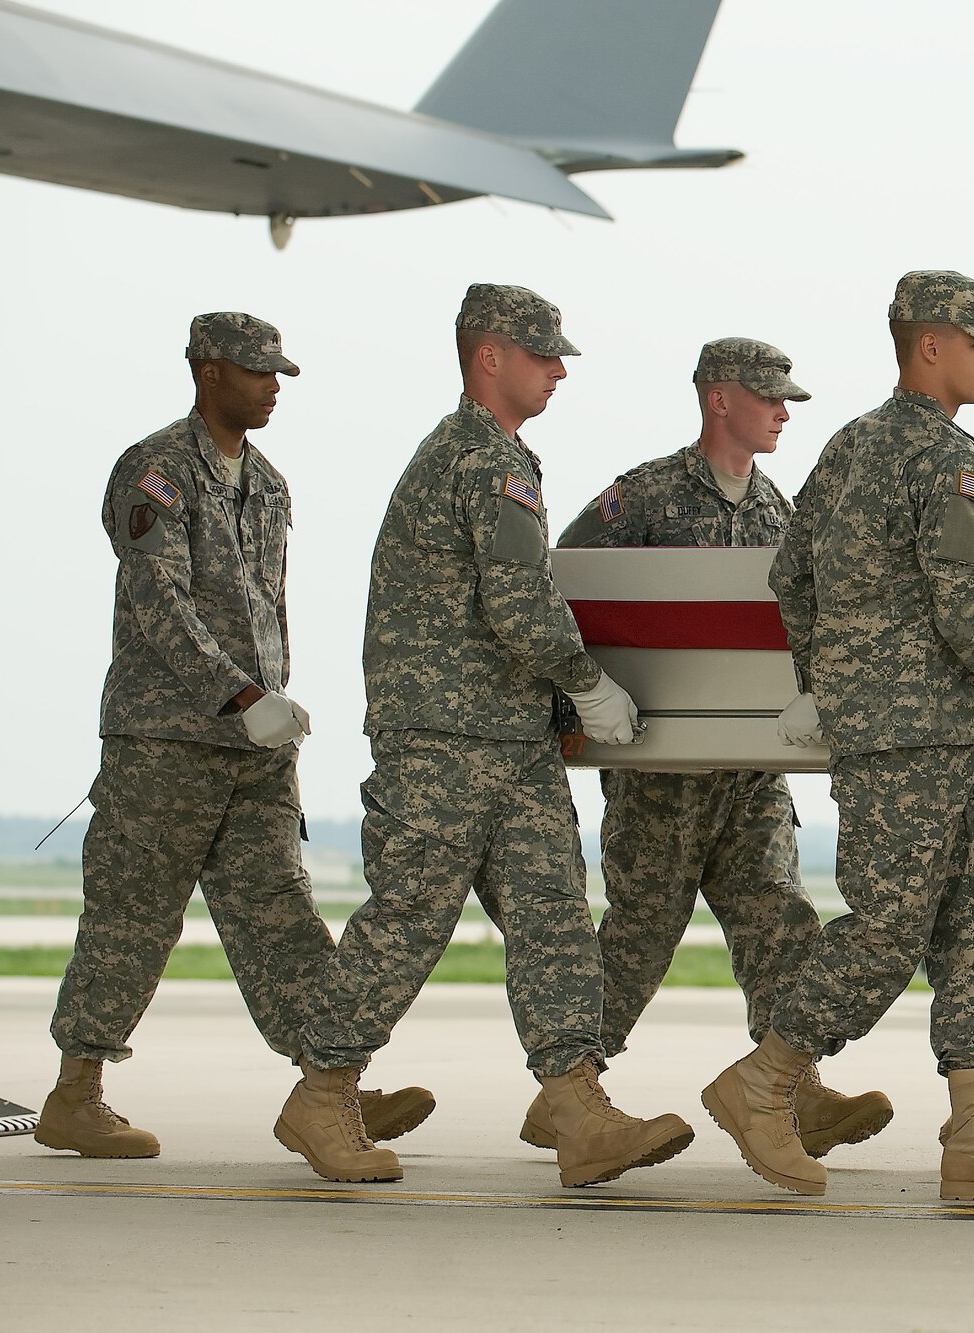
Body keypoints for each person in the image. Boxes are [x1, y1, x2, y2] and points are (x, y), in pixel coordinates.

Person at [278, 284, 689, 1189]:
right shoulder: (479, 460)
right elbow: (516, 601)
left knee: (554, 923)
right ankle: (322, 1090)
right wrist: (587, 686)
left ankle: (578, 1108)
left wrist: (550, 713)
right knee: (411, 919)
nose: (559, 368)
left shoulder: (502, 457)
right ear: (488, 356)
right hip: (445, 739)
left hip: (504, 737)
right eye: (542, 352)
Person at [702, 270, 974, 1204]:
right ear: (930, 346)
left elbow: (790, 574)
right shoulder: (938, 455)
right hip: (922, 737)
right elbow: (965, 596)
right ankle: (762, 1082)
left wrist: (825, 676)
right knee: (889, 930)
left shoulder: (845, 448)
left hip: (916, 735)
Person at [36, 313, 432, 1160]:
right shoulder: (157, 473)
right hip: (167, 742)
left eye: (279, 372)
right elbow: (161, 602)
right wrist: (241, 694)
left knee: (280, 915)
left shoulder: (270, 483)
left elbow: (265, 609)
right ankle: (76, 1093)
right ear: (208, 372)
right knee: (133, 914)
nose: (273, 387)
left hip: (255, 746)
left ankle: (333, 1089)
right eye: (257, 373)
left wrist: (271, 707)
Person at [535, 337, 892, 1159]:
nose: (783, 412)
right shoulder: (646, 497)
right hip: (663, 765)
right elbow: (565, 587)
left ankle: (788, 1089)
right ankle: (568, 1091)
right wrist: (577, 703)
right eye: (769, 396)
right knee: (642, 932)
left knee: (780, 917)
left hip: (752, 767)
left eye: (788, 399)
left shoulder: (780, 511)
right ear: (718, 398)